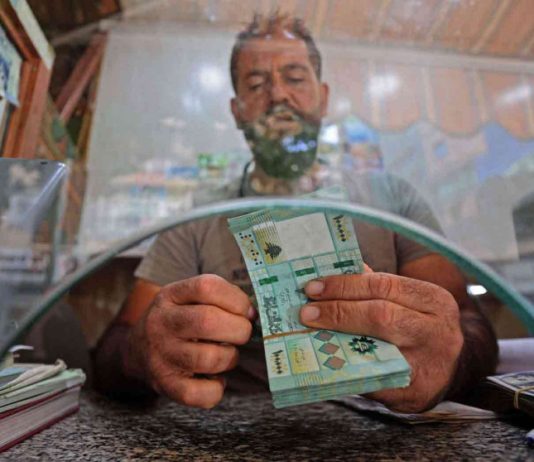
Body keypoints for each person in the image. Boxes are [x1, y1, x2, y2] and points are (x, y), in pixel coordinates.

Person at [94, 13, 498, 412]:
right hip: (235, 425)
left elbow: (468, 323)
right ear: (237, 111)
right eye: (256, 84)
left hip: (377, 421)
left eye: (295, 78)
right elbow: (115, 346)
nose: (278, 96)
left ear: (323, 97)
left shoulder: (392, 199)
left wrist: (449, 359)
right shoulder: (200, 219)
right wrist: (140, 352)